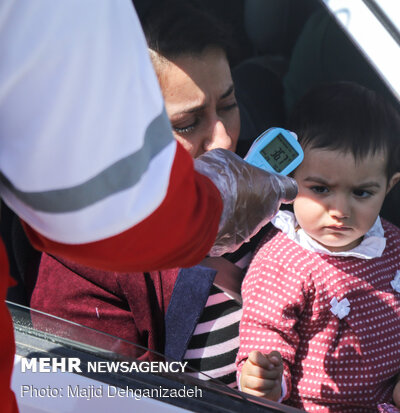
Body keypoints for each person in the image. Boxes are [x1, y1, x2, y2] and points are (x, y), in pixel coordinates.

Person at [0, 1, 297, 410]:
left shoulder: (276, 182)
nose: (225, 140)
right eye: (186, 124)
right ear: (121, 133)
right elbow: (102, 396)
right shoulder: (84, 256)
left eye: (228, 105)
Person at [236, 82, 400, 412]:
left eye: (362, 193)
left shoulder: (387, 242)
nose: (340, 210)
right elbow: (266, 336)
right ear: (291, 178)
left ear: (389, 186)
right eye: (321, 189)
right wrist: (265, 381)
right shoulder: (282, 263)